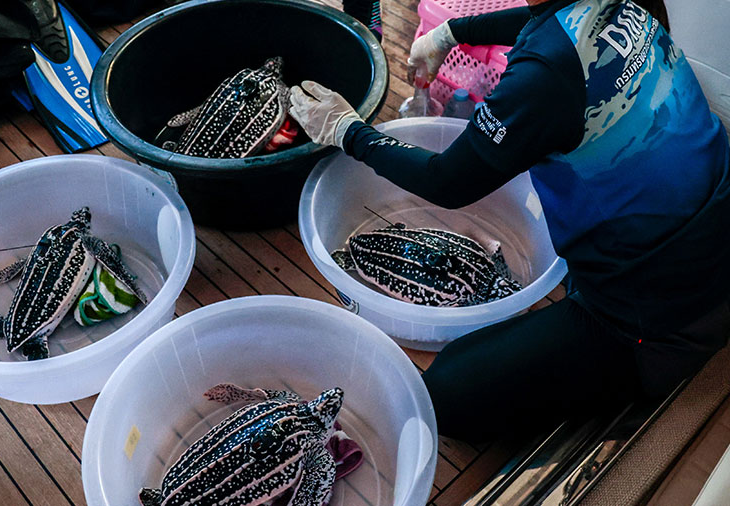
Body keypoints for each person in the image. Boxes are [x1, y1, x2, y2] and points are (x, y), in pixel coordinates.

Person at [289, 0, 730, 442]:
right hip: (713, 222)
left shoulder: (544, 76)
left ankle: (638, 394)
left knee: (446, 392)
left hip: (656, 313)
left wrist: (348, 130)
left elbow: (447, 182)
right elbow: (551, 19)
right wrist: (453, 33)